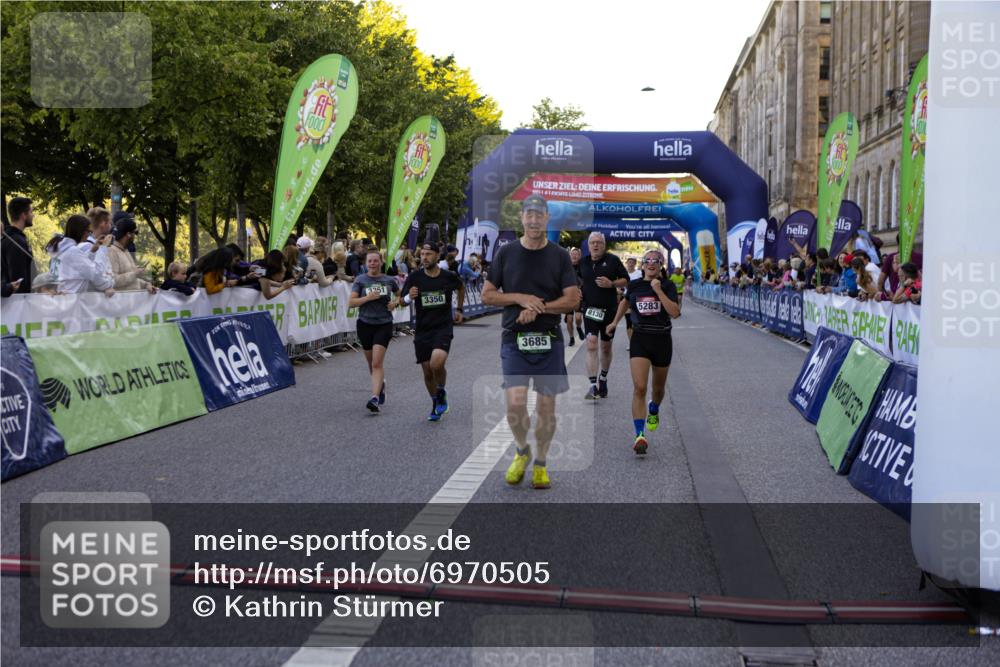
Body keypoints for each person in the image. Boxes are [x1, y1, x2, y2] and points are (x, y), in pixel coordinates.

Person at [481, 194, 580, 490]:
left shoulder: (559, 255)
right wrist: (519, 298)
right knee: (515, 404)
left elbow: (573, 299)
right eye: (529, 214)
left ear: (547, 218)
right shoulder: (506, 253)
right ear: (522, 218)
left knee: (547, 409)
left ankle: (541, 463)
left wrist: (538, 308)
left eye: (540, 215)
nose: (534, 220)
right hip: (514, 339)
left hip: (549, 340)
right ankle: (522, 450)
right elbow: (487, 294)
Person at [606, 249, 681, 456]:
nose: (651, 263)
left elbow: (675, 313)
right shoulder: (635, 285)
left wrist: (659, 292)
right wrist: (614, 322)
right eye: (647, 260)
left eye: (655, 261)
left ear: (661, 265)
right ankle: (640, 435)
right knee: (639, 387)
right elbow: (625, 301)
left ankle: (654, 408)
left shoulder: (667, 285)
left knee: (657, 391)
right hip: (640, 339)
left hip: (662, 340)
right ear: (643, 264)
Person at [402, 241, 466, 421]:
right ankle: (435, 402)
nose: (424, 257)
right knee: (427, 372)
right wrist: (408, 297)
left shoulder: (449, 276)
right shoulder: (415, 277)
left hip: (442, 327)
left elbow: (461, 288)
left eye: (428, 254)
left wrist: (459, 309)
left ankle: (441, 391)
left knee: (436, 364)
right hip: (422, 329)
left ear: (437, 256)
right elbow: (401, 300)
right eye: (422, 254)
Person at [349, 249, 402, 413]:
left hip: (384, 324)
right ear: (366, 263)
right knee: (371, 363)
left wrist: (395, 303)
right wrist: (367, 298)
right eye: (369, 261)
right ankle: (381, 386)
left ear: (381, 262)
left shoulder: (389, 280)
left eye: (375, 261)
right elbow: (351, 303)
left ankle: (374, 398)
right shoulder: (360, 280)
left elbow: (400, 295)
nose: (372, 264)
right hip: (365, 324)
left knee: (377, 363)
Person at [578, 232, 629, 400]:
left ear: (604, 245)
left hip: (609, 310)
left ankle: (603, 378)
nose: (595, 245)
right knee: (591, 344)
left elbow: (626, 280)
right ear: (589, 245)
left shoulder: (613, 260)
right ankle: (593, 386)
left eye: (599, 242)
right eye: (592, 242)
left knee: (606, 347)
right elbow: (575, 280)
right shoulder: (583, 262)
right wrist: (576, 291)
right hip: (590, 310)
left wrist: (612, 284)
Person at [54, 214, 115, 296]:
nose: (88, 235)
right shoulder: (72, 251)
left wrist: (92, 252)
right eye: (88, 231)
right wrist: (103, 248)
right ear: (80, 231)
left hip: (67, 299)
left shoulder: (63, 248)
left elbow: (81, 269)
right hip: (73, 301)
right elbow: (94, 273)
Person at [107, 216, 155, 292]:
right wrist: (134, 274)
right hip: (122, 302)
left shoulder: (125, 250)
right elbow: (113, 280)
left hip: (133, 301)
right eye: (135, 232)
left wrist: (146, 285)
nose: (135, 236)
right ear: (128, 234)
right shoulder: (111, 251)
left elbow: (132, 281)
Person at [2, 196, 35, 294]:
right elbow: (18, 279)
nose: (33, 215)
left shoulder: (10, 238)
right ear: (23, 215)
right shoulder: (16, 241)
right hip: (18, 303)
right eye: (31, 212)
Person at [563, 246, 585, 347]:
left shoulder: (583, 266)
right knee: (569, 319)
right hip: (568, 296)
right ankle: (571, 338)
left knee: (578, 317)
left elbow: (587, 281)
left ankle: (579, 327)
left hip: (580, 296)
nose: (574, 256)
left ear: (579, 256)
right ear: (569, 255)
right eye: (573, 254)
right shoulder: (565, 267)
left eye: (576, 254)